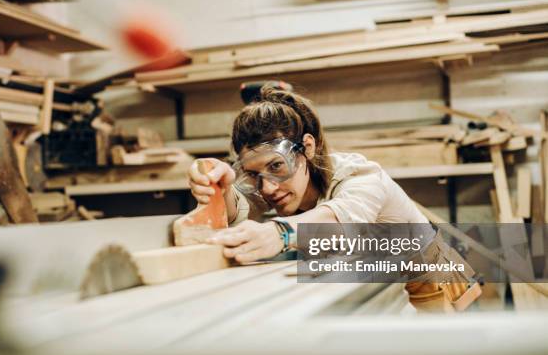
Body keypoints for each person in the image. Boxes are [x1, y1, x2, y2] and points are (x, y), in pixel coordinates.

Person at [187, 86, 480, 311]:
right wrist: (221, 189)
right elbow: (240, 208)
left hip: (432, 284)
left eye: (276, 166)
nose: (268, 188)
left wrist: (279, 233)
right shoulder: (273, 183)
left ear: (308, 148)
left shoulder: (360, 177)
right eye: (252, 174)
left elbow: (342, 218)